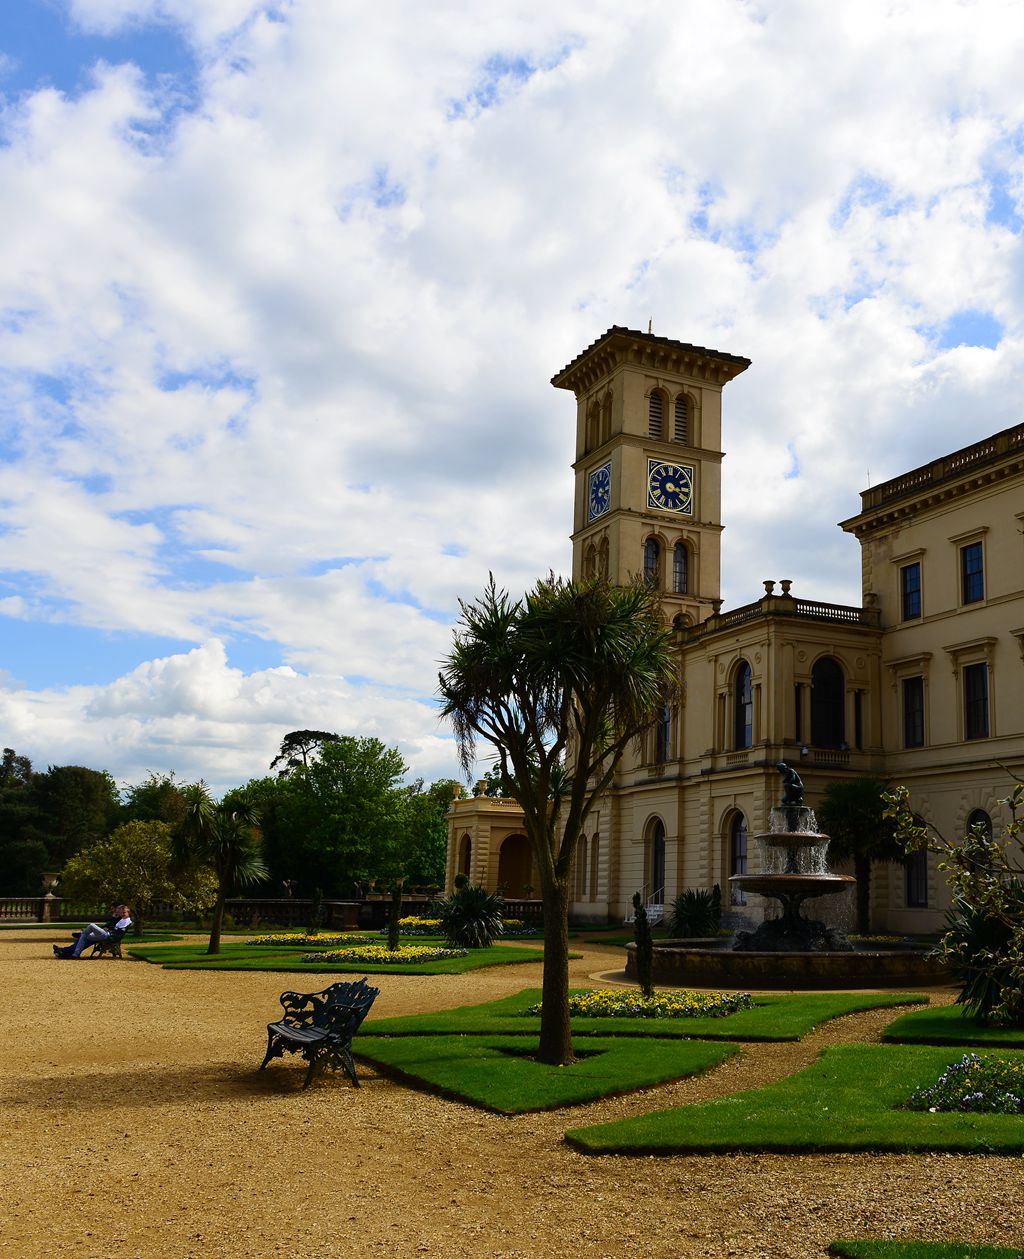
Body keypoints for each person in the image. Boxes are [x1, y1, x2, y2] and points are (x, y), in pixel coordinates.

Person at [53, 904, 132, 959]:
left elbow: (117, 931)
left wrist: (110, 927)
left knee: (91, 925)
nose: (122, 913)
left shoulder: (126, 921)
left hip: (108, 935)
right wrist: (111, 923)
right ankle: (71, 954)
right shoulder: (121, 919)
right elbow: (112, 927)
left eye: (123, 912)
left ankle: (65, 950)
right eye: (121, 912)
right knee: (84, 937)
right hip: (105, 933)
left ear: (128, 912)